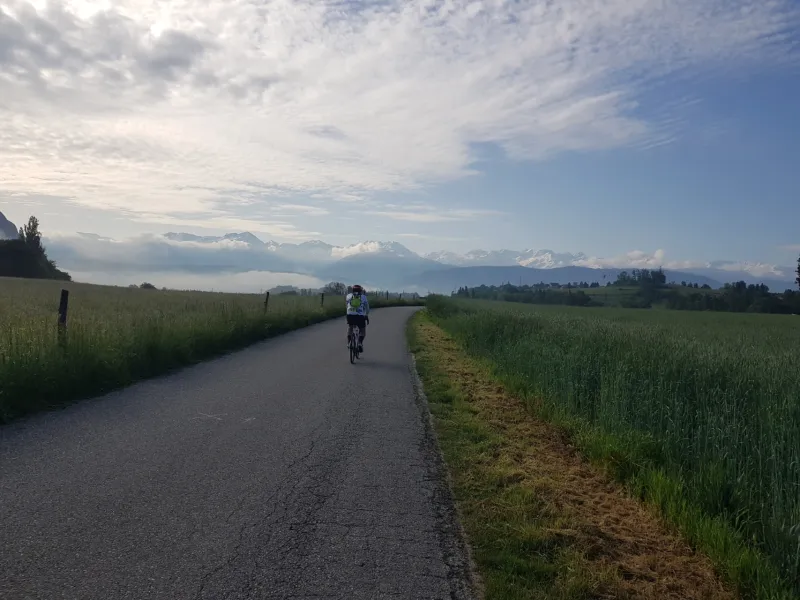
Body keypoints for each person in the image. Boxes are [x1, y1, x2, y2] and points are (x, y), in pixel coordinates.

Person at [345, 284, 369, 352]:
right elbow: (367, 308)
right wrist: (366, 315)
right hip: (359, 316)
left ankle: (349, 342)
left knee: (350, 327)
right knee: (362, 330)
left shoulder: (348, 296)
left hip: (350, 315)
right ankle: (360, 343)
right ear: (361, 291)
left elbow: (347, 305)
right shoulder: (363, 297)